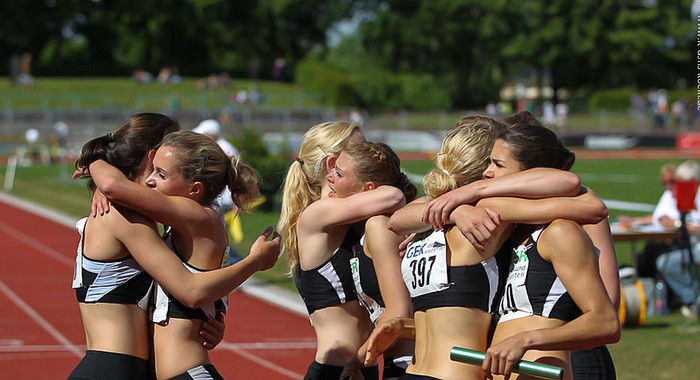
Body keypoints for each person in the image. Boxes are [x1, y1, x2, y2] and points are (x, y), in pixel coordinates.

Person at [365, 116, 610, 379]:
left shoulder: (452, 212)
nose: (491, 171)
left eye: (499, 163)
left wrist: (465, 197)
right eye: (490, 162)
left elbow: (579, 195)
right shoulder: (452, 210)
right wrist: (458, 207)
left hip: (428, 370)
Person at [70, 115, 280, 379]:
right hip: (119, 369)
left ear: (194, 188)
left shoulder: (185, 218)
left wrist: (97, 164)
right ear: (150, 156)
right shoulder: (126, 216)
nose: (153, 181)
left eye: (163, 173)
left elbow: (189, 292)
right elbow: (115, 187)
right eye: (156, 169)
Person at [280, 121, 403, 379]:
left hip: (362, 365)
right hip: (336, 369)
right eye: (360, 150)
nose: (370, 154)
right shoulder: (319, 213)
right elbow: (394, 195)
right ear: (333, 164)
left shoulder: (352, 221)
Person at [349, 142, 418, 379]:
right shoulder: (365, 228)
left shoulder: (378, 225)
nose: (330, 179)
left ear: (368, 188)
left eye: (338, 173)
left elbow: (399, 311)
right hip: (395, 359)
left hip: (409, 362)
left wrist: (355, 360)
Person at [655, 160, 700, 316]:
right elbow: (683, 220)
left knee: (668, 262)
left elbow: (691, 224)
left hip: (696, 246)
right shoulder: (687, 192)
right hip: (691, 245)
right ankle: (693, 299)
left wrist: (682, 225)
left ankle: (693, 299)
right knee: (664, 261)